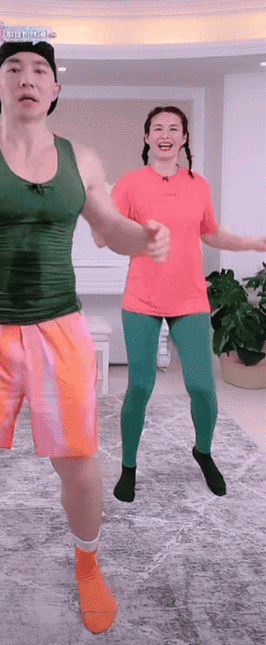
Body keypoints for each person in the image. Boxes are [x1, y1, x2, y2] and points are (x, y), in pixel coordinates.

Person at [0, 41, 170, 644]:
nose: (27, 78)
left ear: (55, 90)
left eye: (40, 71)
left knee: (79, 464)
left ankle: (89, 566)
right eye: (13, 69)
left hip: (60, 330)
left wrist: (146, 237)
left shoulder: (81, 159)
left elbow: (109, 229)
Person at [101, 106, 266, 504]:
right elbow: (111, 234)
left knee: (202, 387)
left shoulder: (199, 185)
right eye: (158, 128)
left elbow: (211, 233)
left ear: (184, 138)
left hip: (190, 298)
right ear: (147, 137)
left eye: (174, 128)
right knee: (140, 385)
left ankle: (203, 452)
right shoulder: (130, 183)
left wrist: (253, 243)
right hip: (142, 298)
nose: (166, 134)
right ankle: (128, 467)